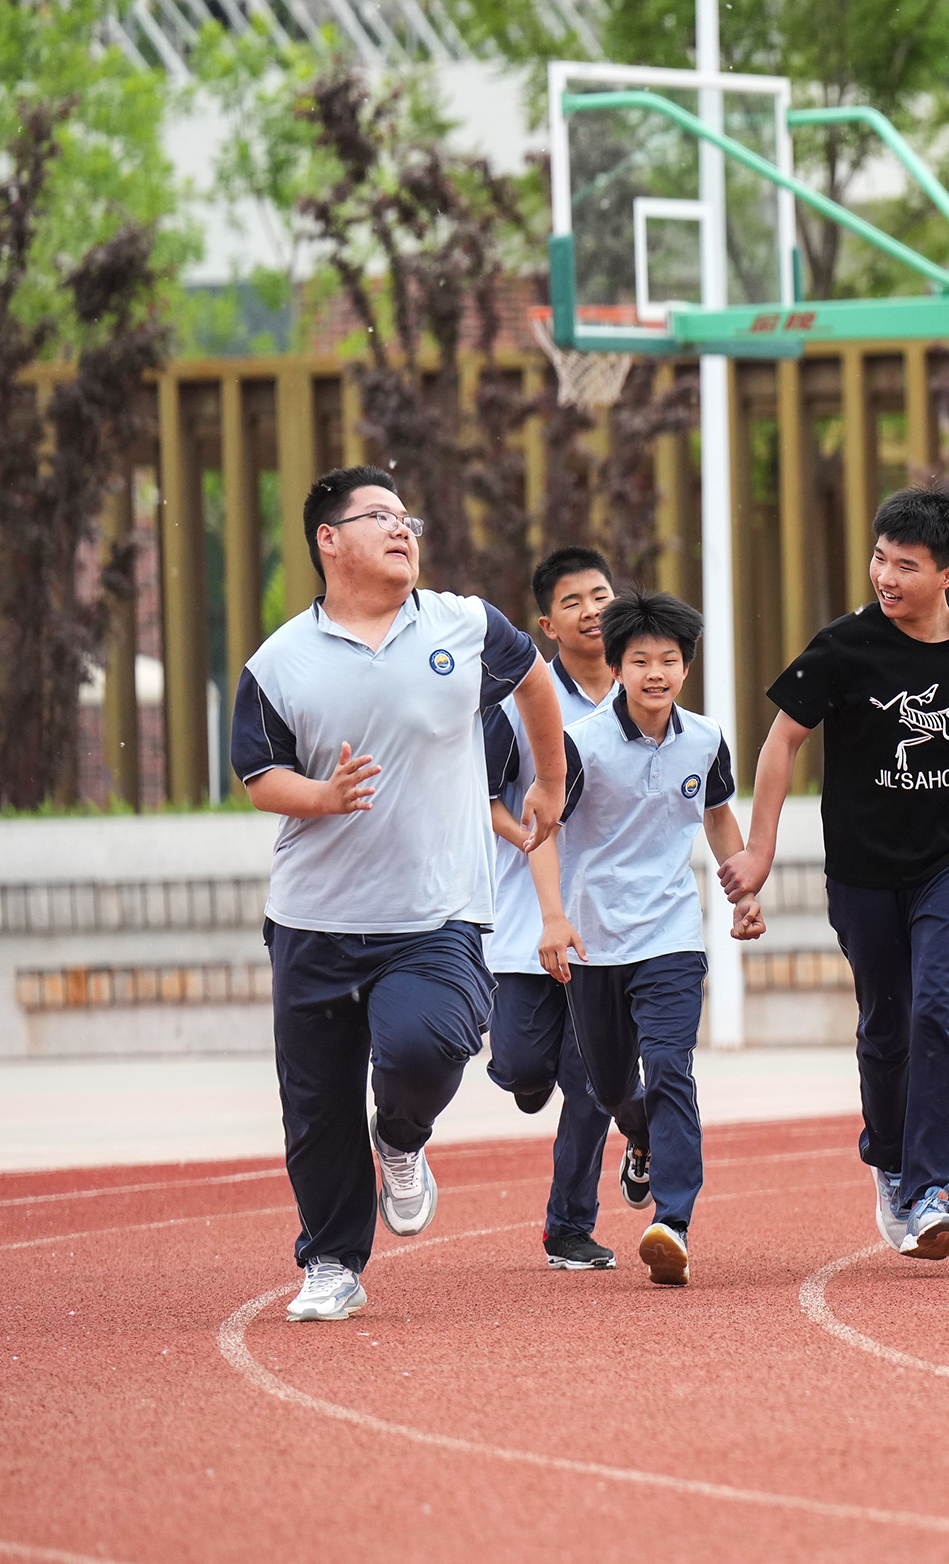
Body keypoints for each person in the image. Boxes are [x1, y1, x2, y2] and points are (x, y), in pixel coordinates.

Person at [233, 465, 572, 1324]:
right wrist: (322, 795)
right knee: (315, 1107)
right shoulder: (280, 661)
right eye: (378, 517)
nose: (401, 529)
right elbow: (256, 771)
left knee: (424, 1049)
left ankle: (404, 1137)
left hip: (436, 914)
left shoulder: (463, 624)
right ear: (328, 540)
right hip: (313, 918)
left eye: (406, 517)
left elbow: (534, 679)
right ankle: (331, 1262)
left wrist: (550, 780)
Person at [717, 488, 949, 1262]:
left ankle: (936, 1188)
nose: (885, 576)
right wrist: (762, 850)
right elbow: (781, 742)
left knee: (941, 1004)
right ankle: (892, 1160)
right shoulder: (844, 648)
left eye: (905, 566)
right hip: (865, 871)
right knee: (886, 1025)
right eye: (879, 558)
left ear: (948, 575)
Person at [548, 590, 765, 1286]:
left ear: (684, 669)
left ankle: (671, 1222)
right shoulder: (579, 745)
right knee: (614, 1087)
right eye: (639, 660)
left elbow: (718, 815)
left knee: (670, 1067)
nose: (655, 673)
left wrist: (745, 892)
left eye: (668, 661)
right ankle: (638, 1141)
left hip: (671, 932)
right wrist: (553, 918)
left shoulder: (704, 739)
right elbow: (545, 833)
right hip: (596, 941)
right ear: (615, 668)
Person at [479, 546, 622, 1271]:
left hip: (607, 929)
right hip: (526, 924)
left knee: (592, 1081)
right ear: (547, 625)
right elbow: (482, 796)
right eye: (573, 601)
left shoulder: (647, 694)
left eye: (600, 595)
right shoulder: (520, 703)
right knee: (526, 1064)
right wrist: (529, 831)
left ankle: (568, 1224)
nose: (591, 609)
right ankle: (523, 1077)